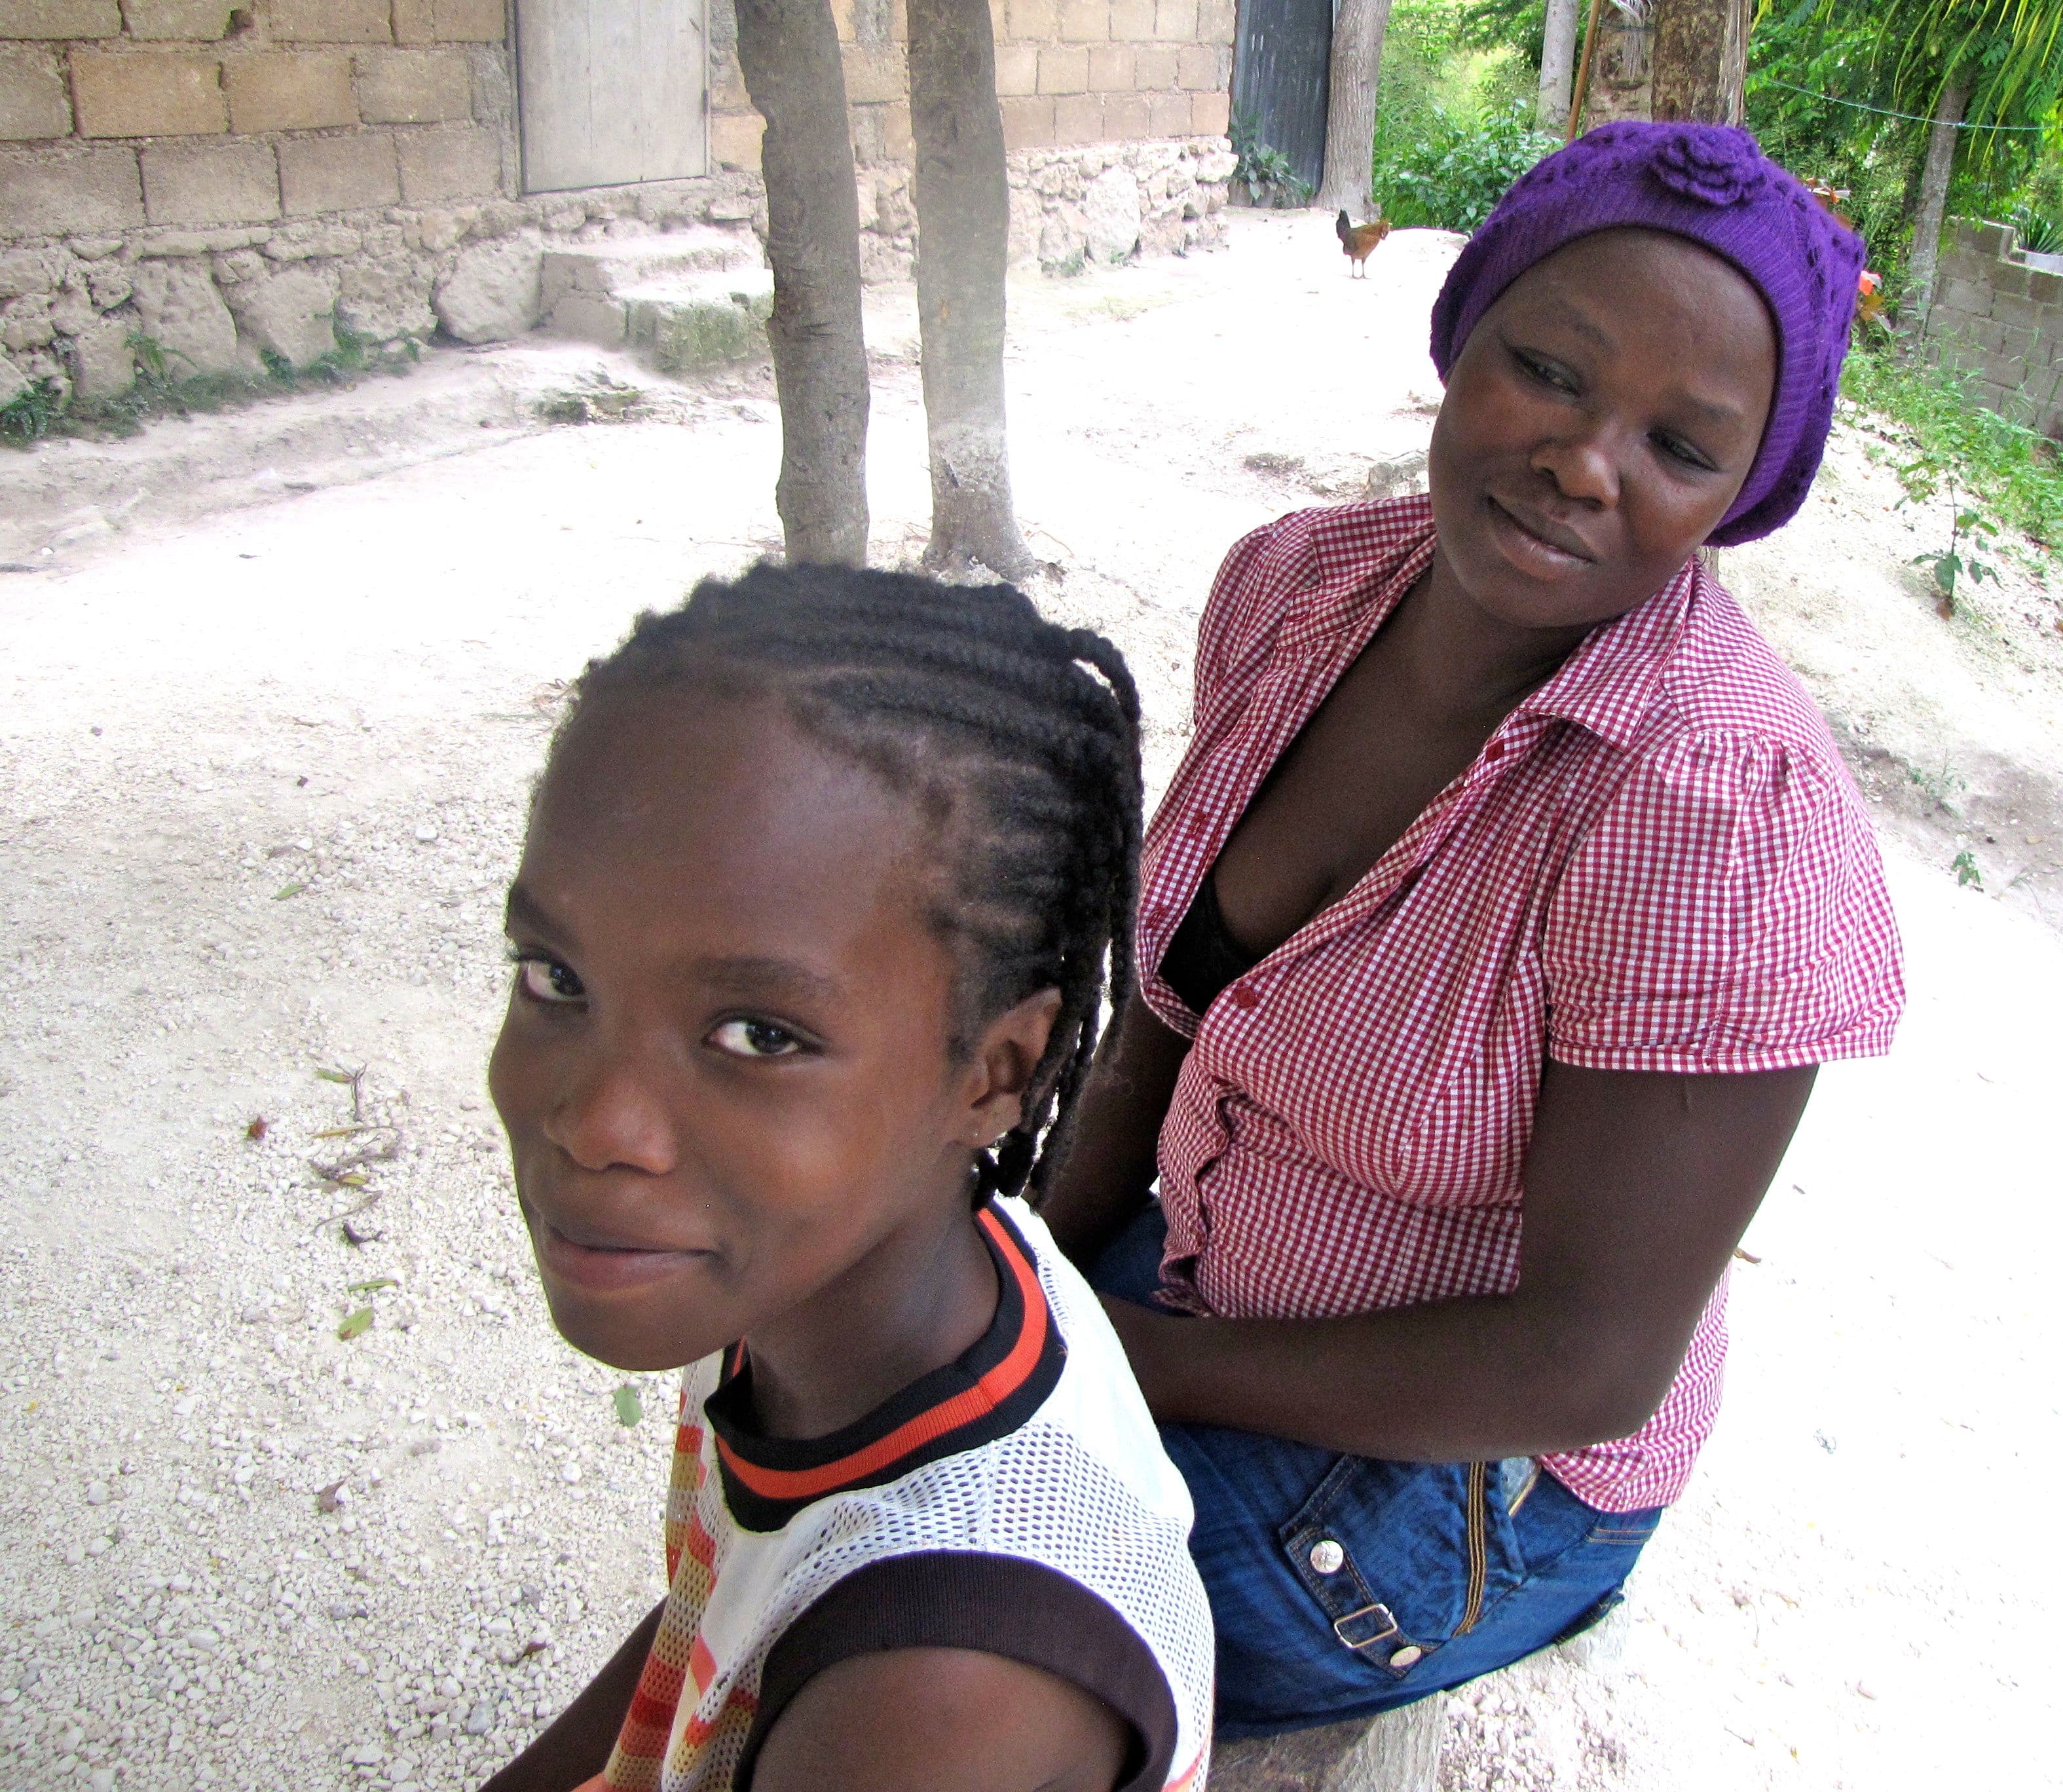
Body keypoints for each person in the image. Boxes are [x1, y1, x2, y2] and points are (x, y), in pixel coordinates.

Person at [1036, 121, 1906, 1738]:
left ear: (1740, 496)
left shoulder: (1707, 813)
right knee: (825, 1432)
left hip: (1456, 1489)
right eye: (1552, 371)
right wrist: (1026, 1270)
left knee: (934, 1622)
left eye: (1681, 446)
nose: (1588, 462)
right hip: (1210, 1298)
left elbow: (1587, 1360)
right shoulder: (1302, 589)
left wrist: (1117, 1363)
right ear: (1464, 339)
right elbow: (1170, 1005)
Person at [478, 565, 1213, 1792]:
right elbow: (707, 1619)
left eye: (759, 1036)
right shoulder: (859, 1277)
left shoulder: (940, 1694)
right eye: (557, 979)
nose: (599, 1123)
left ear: (997, 1073)